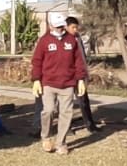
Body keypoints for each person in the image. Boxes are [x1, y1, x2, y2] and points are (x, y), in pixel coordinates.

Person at [31, 12, 87, 155]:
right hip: (49, 83)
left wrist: (80, 79)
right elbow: (37, 61)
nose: (60, 29)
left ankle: (61, 143)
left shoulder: (71, 40)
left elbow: (79, 61)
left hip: (68, 83)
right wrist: (36, 80)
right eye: (57, 27)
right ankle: (46, 137)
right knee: (48, 110)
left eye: (62, 26)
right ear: (50, 26)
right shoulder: (44, 41)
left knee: (66, 113)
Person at [65, 16, 103, 132]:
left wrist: (84, 72)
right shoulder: (63, 39)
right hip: (67, 75)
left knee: (84, 100)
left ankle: (90, 125)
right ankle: (67, 127)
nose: (75, 30)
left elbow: (81, 56)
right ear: (66, 27)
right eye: (73, 27)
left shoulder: (77, 38)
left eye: (76, 27)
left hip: (79, 75)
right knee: (66, 102)